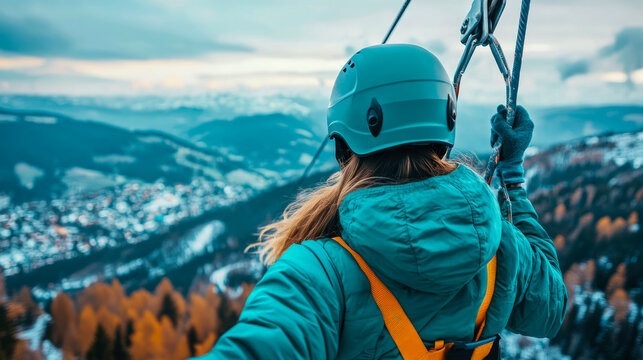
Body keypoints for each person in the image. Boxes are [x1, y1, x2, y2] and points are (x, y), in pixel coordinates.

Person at [195, 44, 567, 359]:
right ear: (446, 129)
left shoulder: (318, 272)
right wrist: (513, 179)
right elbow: (550, 310)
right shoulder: (502, 248)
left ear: (343, 148)